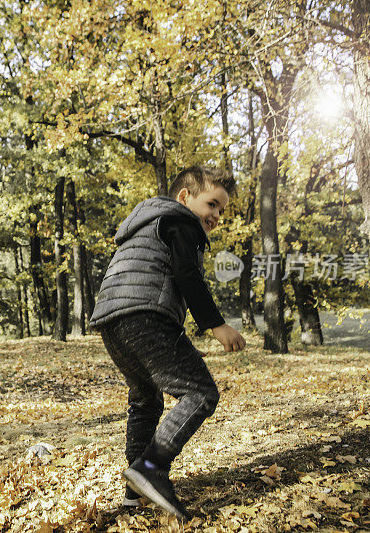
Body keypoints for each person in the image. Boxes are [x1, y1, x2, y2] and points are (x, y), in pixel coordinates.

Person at [89, 166, 246, 521]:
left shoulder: (144, 225)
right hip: (146, 315)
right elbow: (187, 276)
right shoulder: (180, 222)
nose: (217, 216)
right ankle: (151, 466)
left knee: (145, 400)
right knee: (201, 393)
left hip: (112, 320)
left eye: (222, 210)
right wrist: (216, 326)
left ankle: (133, 497)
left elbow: (151, 272)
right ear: (185, 197)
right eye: (212, 204)